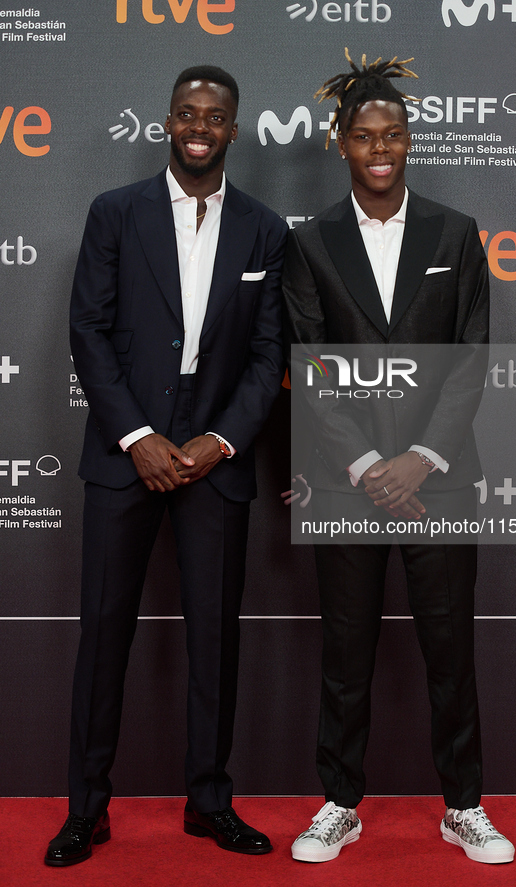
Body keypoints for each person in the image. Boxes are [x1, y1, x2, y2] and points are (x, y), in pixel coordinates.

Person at [45, 65, 287, 866]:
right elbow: (90, 331)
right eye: (186, 112)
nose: (197, 126)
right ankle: (86, 806)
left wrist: (219, 441)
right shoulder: (115, 213)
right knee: (103, 634)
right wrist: (137, 436)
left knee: (214, 640)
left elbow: (267, 357)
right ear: (167, 122)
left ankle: (208, 800)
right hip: (127, 455)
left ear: (234, 131)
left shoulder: (263, 229)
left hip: (214, 459)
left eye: (213, 116)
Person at [282, 50, 514, 865]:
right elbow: (310, 366)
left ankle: (463, 805)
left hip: (440, 480)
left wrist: (417, 457)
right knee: (345, 655)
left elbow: (471, 355)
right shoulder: (309, 243)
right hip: (347, 486)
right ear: (339, 144)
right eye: (362, 135)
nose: (379, 147)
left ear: (409, 140)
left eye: (393, 133)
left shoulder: (456, 232)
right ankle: (339, 802)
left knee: (450, 650)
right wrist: (368, 467)